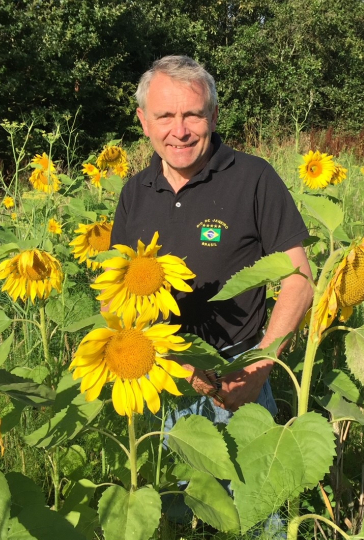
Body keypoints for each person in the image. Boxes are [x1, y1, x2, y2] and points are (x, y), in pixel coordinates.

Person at [110, 55, 313, 417]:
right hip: (159, 371)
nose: (180, 130)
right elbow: (114, 296)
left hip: (234, 374)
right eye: (165, 117)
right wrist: (155, 358)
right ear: (144, 122)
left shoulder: (253, 178)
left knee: (247, 474)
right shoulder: (135, 192)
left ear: (214, 116)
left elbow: (301, 281)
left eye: (192, 115)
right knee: (174, 473)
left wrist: (260, 364)